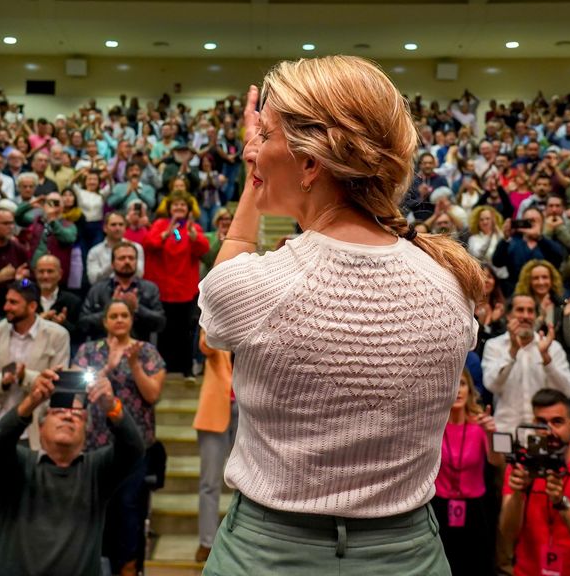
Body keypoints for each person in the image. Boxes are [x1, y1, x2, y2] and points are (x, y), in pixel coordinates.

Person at [198, 58, 483, 572]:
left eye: (265, 135)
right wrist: (265, 158)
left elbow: (229, 269)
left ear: (311, 164)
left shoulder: (259, 288)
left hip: (267, 555)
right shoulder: (451, 285)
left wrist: (252, 179)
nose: (252, 149)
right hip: (409, 555)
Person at [0, 364, 145, 576]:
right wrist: (32, 401)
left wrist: (111, 406)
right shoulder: (19, 466)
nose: (68, 416)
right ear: (40, 427)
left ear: (85, 434)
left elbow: (134, 449)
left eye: (78, 415)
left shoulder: (96, 471)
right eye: (58, 411)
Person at [0, 279, 70, 575]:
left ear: (32, 306)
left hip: (38, 432)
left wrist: (23, 375)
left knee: (37, 503)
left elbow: (59, 381)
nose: (6, 308)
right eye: (6, 302)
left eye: (13, 302)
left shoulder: (57, 334)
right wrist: (2, 380)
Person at [73, 300, 166, 576]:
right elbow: (77, 391)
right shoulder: (89, 351)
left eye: (124, 315)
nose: (119, 320)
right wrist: (108, 368)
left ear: (131, 319)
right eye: (113, 315)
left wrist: (133, 364)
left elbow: (152, 395)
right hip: (94, 445)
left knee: (128, 509)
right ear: (105, 322)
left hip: (134, 449)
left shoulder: (146, 352)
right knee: (97, 509)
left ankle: (127, 567)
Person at [499, 389, 570, 576]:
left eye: (557, 422)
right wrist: (518, 493)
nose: (549, 430)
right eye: (541, 423)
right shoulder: (520, 469)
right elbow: (507, 536)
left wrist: (562, 504)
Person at [432, 369, 503, 576]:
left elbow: (497, 461)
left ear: (469, 390)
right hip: (440, 508)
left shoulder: (481, 426)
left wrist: (491, 435)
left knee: (477, 565)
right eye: (453, 384)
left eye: (462, 384)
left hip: (476, 509)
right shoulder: (434, 427)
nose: (458, 390)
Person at [482, 294, 570, 436]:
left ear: (536, 316)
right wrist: (512, 352)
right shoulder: (494, 346)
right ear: (508, 315)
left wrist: (547, 359)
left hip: (544, 434)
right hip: (506, 431)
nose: (526, 316)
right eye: (520, 310)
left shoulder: (552, 347)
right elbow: (492, 385)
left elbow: (568, 391)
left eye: (530, 311)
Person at [144, 191, 209, 378]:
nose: (179, 208)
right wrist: (165, 233)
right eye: (175, 205)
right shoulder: (159, 225)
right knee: (164, 332)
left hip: (185, 290)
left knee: (185, 332)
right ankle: (164, 369)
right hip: (163, 289)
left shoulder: (193, 227)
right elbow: (150, 244)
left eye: (182, 205)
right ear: (169, 208)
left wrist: (195, 237)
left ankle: (186, 369)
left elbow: (203, 250)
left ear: (188, 209)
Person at [193, 330, 234, 564]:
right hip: (215, 410)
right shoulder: (215, 321)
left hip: (250, 411)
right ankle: (207, 542)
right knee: (210, 483)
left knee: (247, 484)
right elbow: (206, 345)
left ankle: (237, 542)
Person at [80, 241, 166, 341]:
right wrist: (110, 309)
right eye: (122, 258)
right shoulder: (97, 289)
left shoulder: (150, 288)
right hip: (104, 349)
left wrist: (138, 309)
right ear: (112, 264)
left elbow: (160, 324)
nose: (127, 262)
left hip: (138, 348)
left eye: (131, 258)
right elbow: (83, 325)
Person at [34, 254, 82, 345]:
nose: (45, 276)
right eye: (41, 271)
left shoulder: (72, 301)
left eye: (50, 271)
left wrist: (63, 324)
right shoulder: (26, 299)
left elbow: (80, 335)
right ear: (35, 273)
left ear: (60, 274)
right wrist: (37, 321)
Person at [86, 212, 145, 284]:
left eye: (121, 224)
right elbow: (93, 280)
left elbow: (139, 275)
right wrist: (113, 264)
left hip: (132, 289)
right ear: (105, 228)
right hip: (104, 292)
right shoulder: (94, 251)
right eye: (113, 225)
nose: (117, 228)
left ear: (125, 227)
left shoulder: (136, 248)